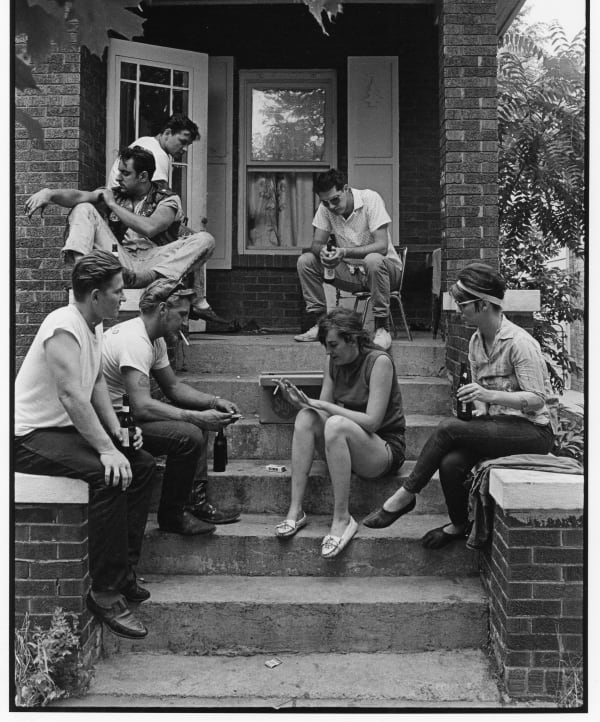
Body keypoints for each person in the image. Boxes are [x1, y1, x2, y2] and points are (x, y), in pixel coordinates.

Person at [363, 262, 556, 548]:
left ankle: (405, 496)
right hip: (500, 425)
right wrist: (480, 405)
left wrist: (489, 396)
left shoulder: (519, 343)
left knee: (448, 428)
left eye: (463, 303)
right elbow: (481, 395)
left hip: (533, 431)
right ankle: (459, 524)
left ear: (484, 305)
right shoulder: (477, 341)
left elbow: (537, 400)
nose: (458, 309)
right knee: (450, 463)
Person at [14, 252, 155, 640]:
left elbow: (93, 386)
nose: (121, 299)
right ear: (94, 295)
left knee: (139, 464)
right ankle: (105, 592)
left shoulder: (92, 326)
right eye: (116, 292)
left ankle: (123, 570)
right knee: (107, 475)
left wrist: (118, 434)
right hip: (29, 436)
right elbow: (71, 396)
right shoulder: (62, 326)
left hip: (62, 430)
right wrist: (107, 452)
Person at [101, 278, 242, 532]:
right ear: (163, 309)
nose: (186, 322)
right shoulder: (135, 341)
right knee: (188, 434)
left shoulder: (154, 338)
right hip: (110, 424)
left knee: (195, 421)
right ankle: (173, 517)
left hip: (127, 418)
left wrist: (213, 401)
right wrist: (195, 418)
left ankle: (194, 501)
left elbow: (173, 388)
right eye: (182, 315)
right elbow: (142, 406)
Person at [25, 146, 214, 320]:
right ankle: (82, 271)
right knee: (83, 207)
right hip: (121, 261)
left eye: (125, 173)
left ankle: (150, 277)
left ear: (143, 176)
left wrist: (112, 205)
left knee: (205, 240)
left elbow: (150, 227)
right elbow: (79, 195)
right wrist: (50, 194)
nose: (118, 178)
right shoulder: (114, 193)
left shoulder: (167, 198)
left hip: (155, 262)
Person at [275, 308, 406, 559]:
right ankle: (295, 510)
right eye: (326, 345)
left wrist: (323, 406)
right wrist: (299, 403)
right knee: (306, 417)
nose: (328, 351)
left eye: (333, 345)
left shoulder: (379, 362)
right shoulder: (332, 362)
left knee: (335, 423)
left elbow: (372, 422)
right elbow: (321, 411)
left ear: (353, 339)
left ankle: (342, 518)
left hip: (384, 448)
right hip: (350, 441)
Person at [294, 169, 403, 351]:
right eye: (325, 202)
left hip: (386, 272)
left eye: (335, 199)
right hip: (353, 273)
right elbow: (316, 244)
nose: (331, 206)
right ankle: (321, 326)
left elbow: (382, 246)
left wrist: (343, 252)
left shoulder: (370, 199)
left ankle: (382, 328)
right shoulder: (327, 208)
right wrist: (325, 253)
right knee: (305, 261)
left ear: (345, 188)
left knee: (373, 260)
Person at [106, 113, 199, 188]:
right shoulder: (158, 154)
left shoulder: (145, 141)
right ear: (167, 133)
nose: (185, 149)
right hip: (124, 205)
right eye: (183, 142)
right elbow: (158, 197)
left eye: (188, 145)